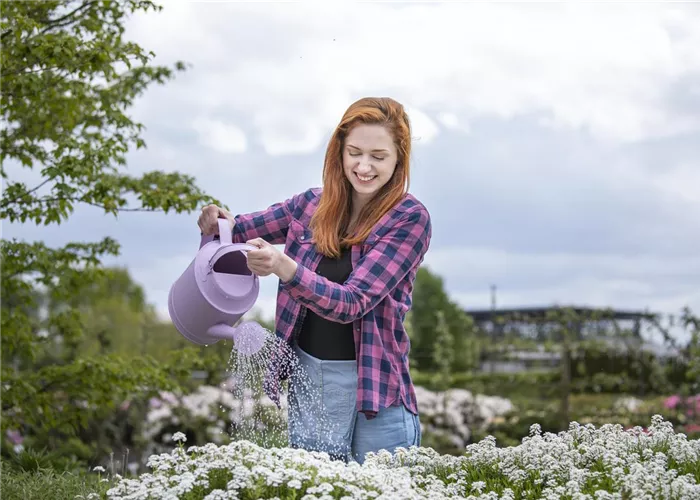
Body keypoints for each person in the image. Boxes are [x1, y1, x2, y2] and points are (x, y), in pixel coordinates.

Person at [197, 97, 432, 464]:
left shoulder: (408, 219)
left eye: (378, 156)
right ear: (338, 151)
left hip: (376, 386)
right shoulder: (309, 206)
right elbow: (236, 230)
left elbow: (352, 302)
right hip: (312, 380)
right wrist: (216, 218)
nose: (364, 166)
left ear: (399, 158)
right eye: (354, 152)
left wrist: (283, 267)